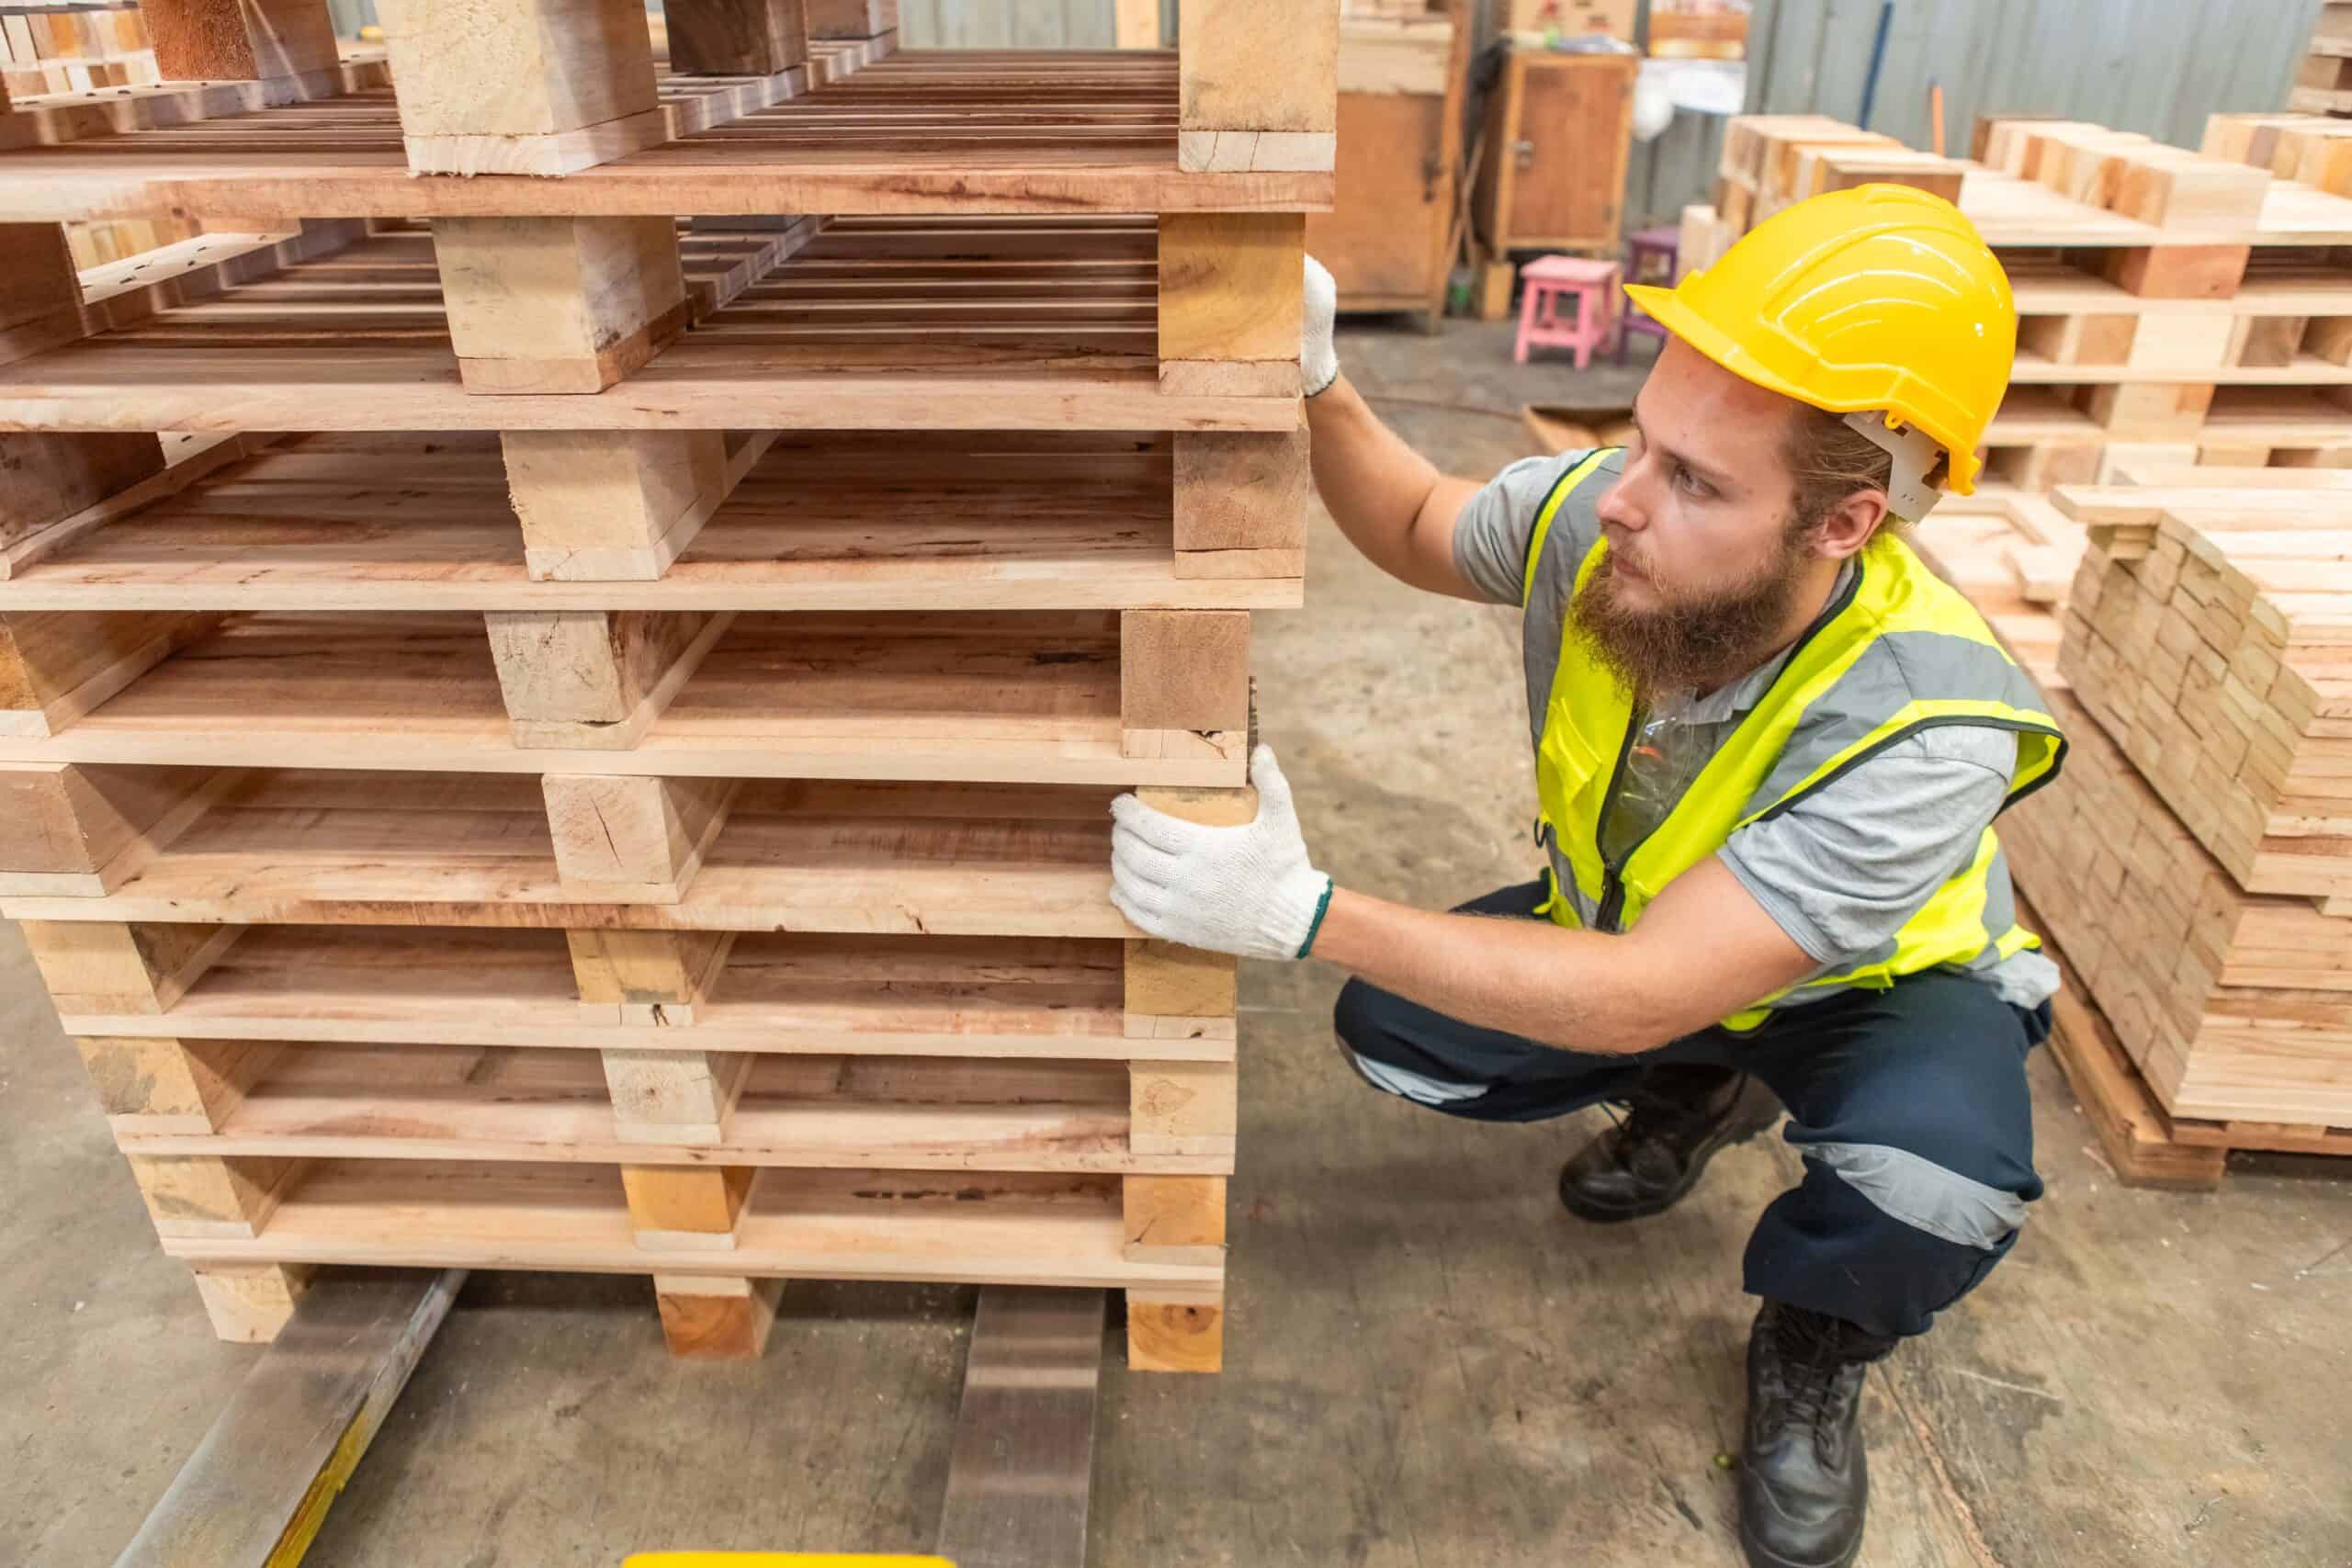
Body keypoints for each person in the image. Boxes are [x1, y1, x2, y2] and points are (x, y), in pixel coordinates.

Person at [1108, 186, 2066, 1568]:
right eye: (1644, 440)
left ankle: (1815, 1341)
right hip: (1654, 949)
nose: (1622, 500)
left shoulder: (1929, 723)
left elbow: (1641, 989)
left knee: (1936, 1189)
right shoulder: (1603, 528)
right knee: (1404, 1035)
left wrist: (1300, 912)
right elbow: (1422, 521)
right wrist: (1317, 379)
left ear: (1845, 524)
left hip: (1880, 991)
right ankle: (1703, 1085)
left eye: (1696, 481)